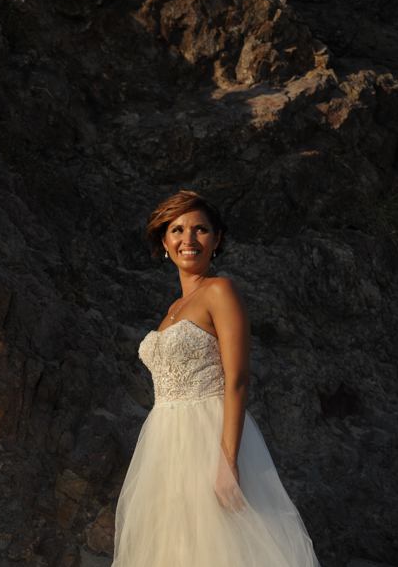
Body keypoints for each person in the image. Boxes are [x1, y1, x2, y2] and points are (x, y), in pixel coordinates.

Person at [112, 191, 319, 566]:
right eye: (177, 230)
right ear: (164, 241)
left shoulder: (220, 291)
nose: (188, 240)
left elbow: (237, 379)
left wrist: (228, 461)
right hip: (164, 444)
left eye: (200, 230)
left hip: (206, 438)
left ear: (217, 238)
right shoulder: (173, 309)